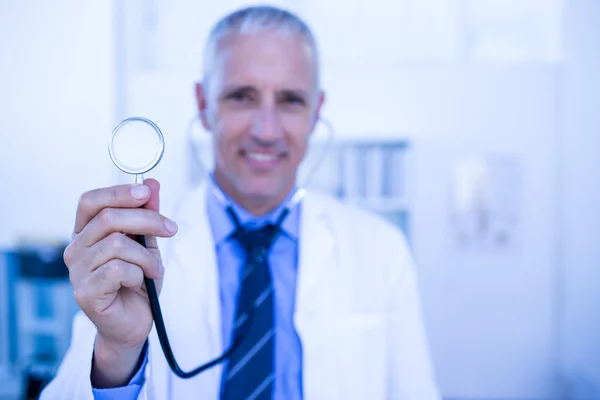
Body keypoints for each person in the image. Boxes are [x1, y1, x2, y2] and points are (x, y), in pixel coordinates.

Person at [40, 5, 440, 400]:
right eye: (241, 97)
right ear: (203, 103)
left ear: (316, 112)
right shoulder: (133, 253)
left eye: (290, 100)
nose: (266, 131)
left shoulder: (381, 250)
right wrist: (117, 350)